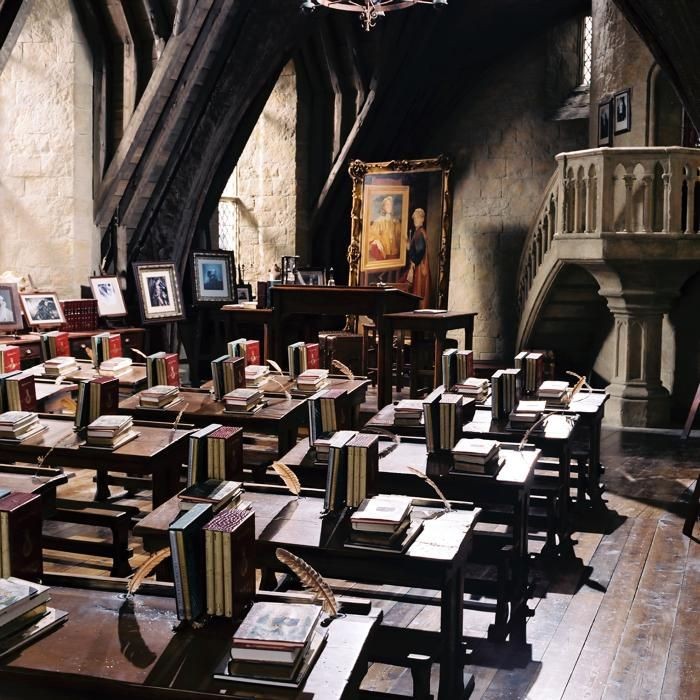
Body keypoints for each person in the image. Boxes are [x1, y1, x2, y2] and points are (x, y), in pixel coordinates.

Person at [406, 208, 431, 308]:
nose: (416, 220)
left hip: (420, 270)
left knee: (418, 292)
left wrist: (409, 249)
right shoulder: (420, 232)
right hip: (421, 268)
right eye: (415, 218)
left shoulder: (419, 233)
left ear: (422, 219)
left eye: (418, 218)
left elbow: (419, 253)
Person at [368, 195, 402, 262]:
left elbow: (399, 237)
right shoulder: (378, 221)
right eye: (387, 204)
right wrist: (377, 242)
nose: (389, 206)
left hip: (394, 253)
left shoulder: (396, 222)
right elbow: (370, 235)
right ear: (383, 207)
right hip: (383, 253)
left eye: (391, 205)